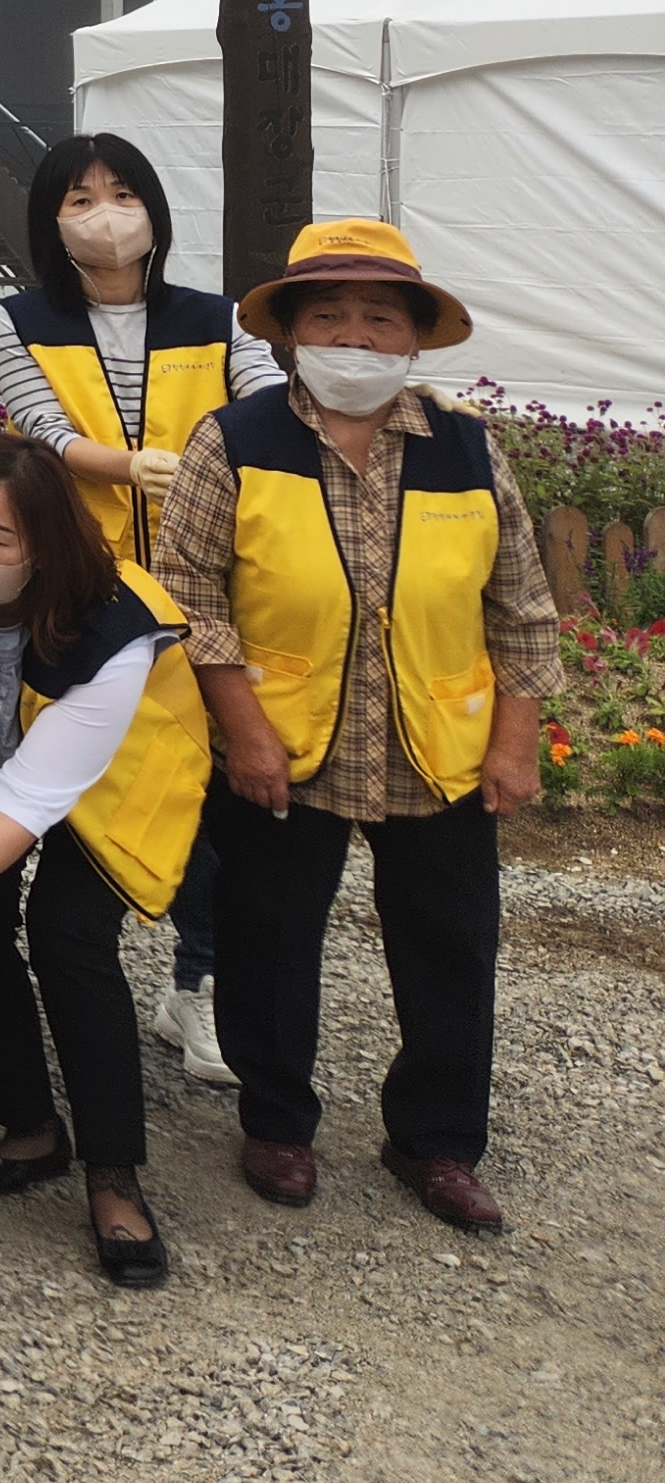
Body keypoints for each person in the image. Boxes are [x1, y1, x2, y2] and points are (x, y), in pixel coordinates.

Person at [157, 219, 557, 1235]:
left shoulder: (465, 448)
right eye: (328, 315)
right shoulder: (235, 441)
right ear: (291, 332)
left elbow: (520, 607)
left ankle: (435, 1140)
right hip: (284, 743)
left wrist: (515, 742)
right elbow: (190, 595)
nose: (354, 337)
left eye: (379, 318)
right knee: (267, 936)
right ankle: (276, 1121)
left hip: (436, 746)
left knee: (451, 945)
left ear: (414, 337)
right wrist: (243, 730)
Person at [0, 132, 281, 1091]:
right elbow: (43, 429)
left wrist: (208, 469)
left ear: (154, 209)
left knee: (212, 796)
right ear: (52, 222)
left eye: (122, 193)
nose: (105, 215)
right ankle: (76, 974)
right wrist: (128, 467)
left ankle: (196, 987)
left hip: (207, 591)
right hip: (91, 596)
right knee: (93, 786)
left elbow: (268, 406)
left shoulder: (218, 318)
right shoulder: (21, 319)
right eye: (80, 199)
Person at [0, 431, 211, 1289]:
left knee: (70, 938)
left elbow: (36, 795)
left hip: (111, 782)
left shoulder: (113, 620)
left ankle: (115, 1176)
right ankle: (31, 1125)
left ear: (44, 544)